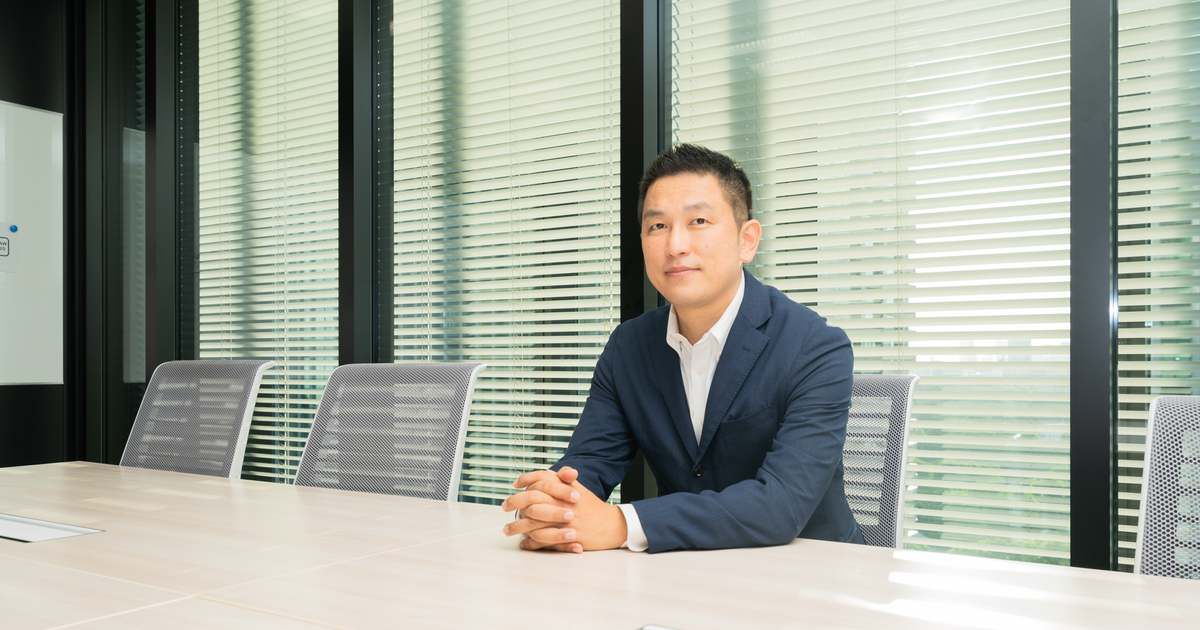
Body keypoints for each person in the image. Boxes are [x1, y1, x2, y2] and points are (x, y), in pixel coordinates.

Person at [500, 144, 862, 553]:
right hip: (681, 570)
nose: (675, 245)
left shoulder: (814, 347)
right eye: (657, 226)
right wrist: (555, 505)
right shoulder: (629, 346)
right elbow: (590, 463)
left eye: (698, 221)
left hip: (811, 571)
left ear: (747, 241)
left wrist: (620, 523)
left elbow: (780, 505)